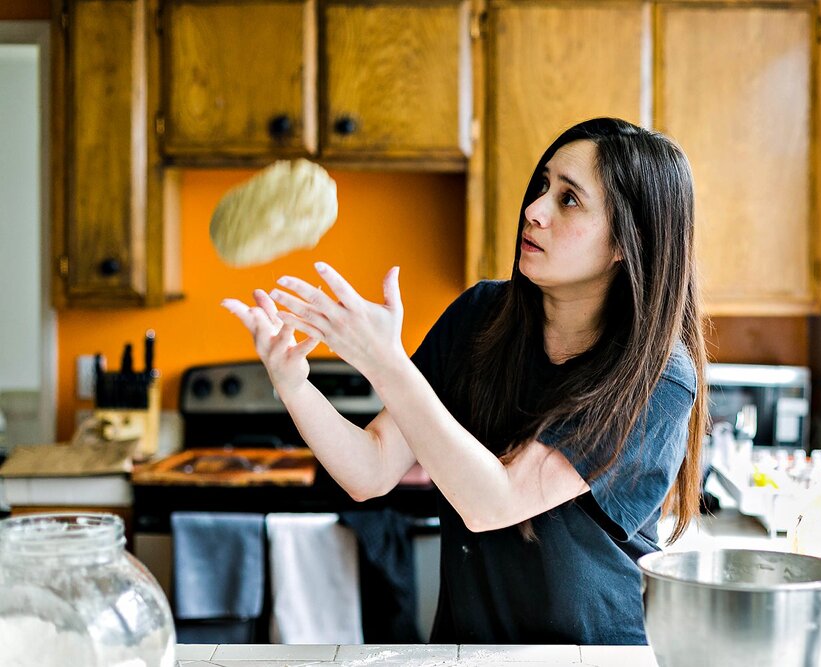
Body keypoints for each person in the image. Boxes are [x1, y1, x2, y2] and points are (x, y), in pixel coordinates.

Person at [222, 117, 708, 645]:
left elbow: (492, 503)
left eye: (568, 200)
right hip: (463, 650)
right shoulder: (481, 317)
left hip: (584, 657)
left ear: (625, 243)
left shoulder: (656, 376)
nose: (534, 210)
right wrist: (293, 385)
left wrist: (388, 366)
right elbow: (370, 469)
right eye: (542, 186)